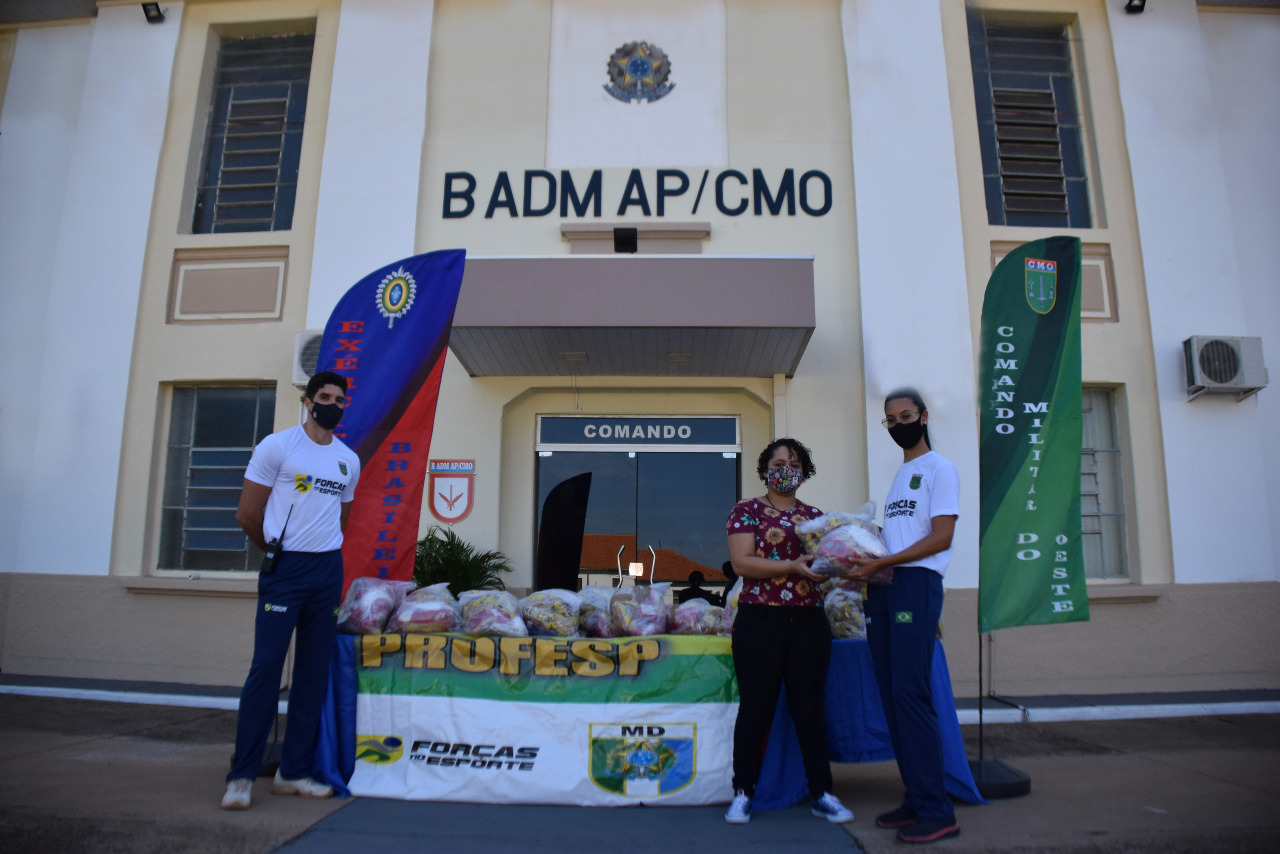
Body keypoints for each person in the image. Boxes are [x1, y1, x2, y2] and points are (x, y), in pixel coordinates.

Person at [220, 371, 361, 810]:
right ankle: (241, 776)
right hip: (286, 569)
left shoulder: (347, 459)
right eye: (324, 397)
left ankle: (293, 771)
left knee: (312, 673)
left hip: (327, 571)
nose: (331, 405)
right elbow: (247, 514)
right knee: (265, 670)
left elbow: (342, 518)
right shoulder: (277, 446)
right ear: (307, 401)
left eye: (339, 399)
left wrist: (320, 551)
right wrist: (278, 553)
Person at [846, 388, 960, 844]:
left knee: (911, 695)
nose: (898, 425)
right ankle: (916, 796)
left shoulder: (939, 468)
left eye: (905, 416)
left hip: (914, 585)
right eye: (890, 421)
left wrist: (884, 563)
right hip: (884, 587)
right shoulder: (900, 476)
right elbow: (897, 537)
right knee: (893, 698)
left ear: (924, 416)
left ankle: (938, 810)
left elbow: (941, 537)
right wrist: (861, 550)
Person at [722, 438, 854, 826]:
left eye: (794, 462)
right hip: (759, 621)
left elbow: (828, 562)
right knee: (755, 710)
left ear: (804, 471)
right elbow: (742, 563)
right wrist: (793, 566)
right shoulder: (746, 511)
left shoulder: (816, 518)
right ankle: (743, 792)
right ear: (765, 470)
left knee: (810, 711)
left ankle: (823, 793)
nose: (786, 469)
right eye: (778, 462)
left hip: (809, 622)